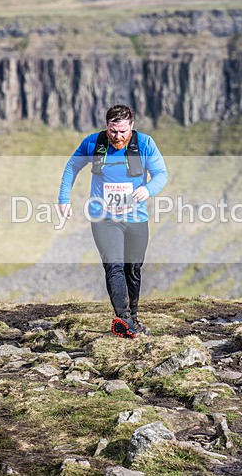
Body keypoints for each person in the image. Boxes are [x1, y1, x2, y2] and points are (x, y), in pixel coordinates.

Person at [57, 104, 168, 338]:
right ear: (107, 125)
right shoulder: (93, 143)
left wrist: (147, 190)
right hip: (104, 217)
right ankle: (124, 320)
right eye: (113, 131)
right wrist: (63, 199)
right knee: (114, 265)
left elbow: (161, 175)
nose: (117, 136)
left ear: (132, 127)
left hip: (136, 217)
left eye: (123, 132)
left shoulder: (145, 144)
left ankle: (133, 317)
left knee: (133, 268)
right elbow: (72, 167)